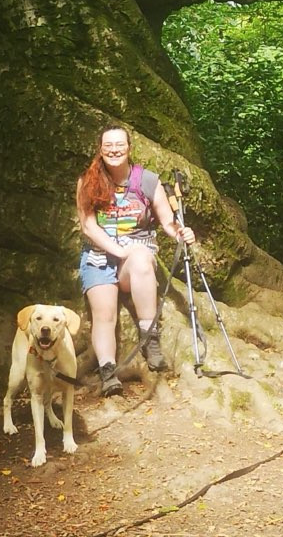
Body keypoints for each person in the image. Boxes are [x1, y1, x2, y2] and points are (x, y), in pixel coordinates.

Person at [75, 126, 195, 397]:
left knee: (142, 257)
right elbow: (89, 227)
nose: (114, 150)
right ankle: (108, 371)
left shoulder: (147, 181)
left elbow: (166, 221)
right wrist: (118, 251)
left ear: (129, 148)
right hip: (99, 256)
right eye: (108, 145)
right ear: (100, 149)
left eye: (119, 144)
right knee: (104, 315)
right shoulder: (88, 181)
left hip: (135, 259)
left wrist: (181, 232)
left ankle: (149, 337)